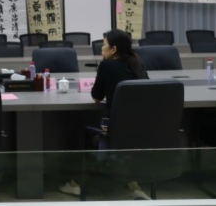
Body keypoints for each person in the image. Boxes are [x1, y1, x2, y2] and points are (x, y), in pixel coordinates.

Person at [59, 29, 150, 200]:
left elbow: (96, 96)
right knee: (125, 142)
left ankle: (75, 183)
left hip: (115, 133)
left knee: (82, 132)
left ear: (113, 49)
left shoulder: (107, 65)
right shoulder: (137, 63)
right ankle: (133, 183)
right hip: (141, 132)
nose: (101, 48)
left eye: (104, 45)